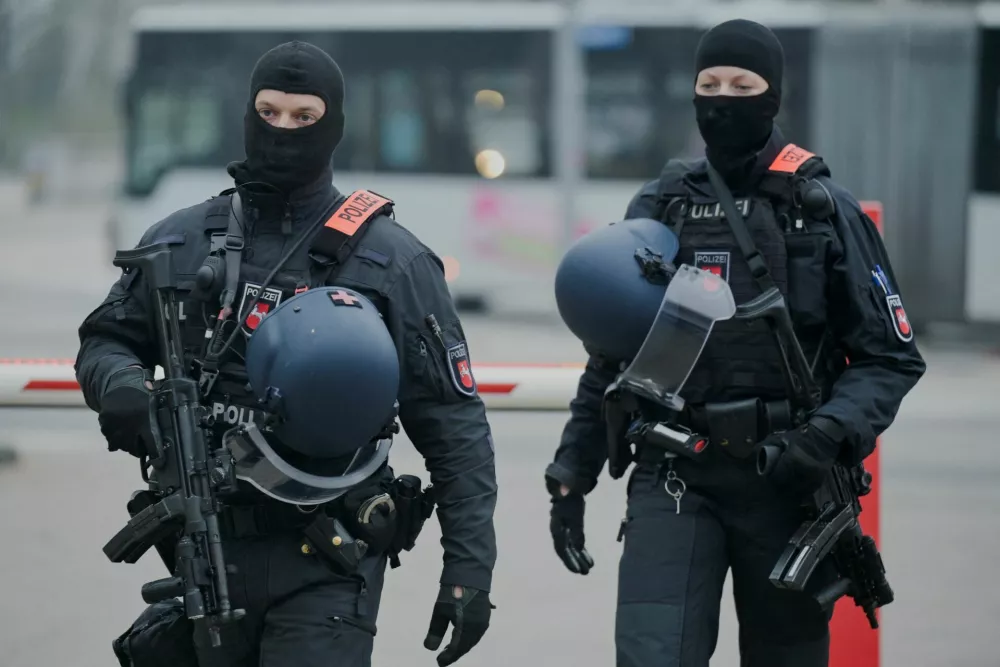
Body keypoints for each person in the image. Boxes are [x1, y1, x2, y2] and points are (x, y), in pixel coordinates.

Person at [76, 41, 497, 667]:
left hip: (327, 558)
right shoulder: (183, 239)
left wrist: (469, 574)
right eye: (268, 112)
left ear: (334, 126)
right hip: (203, 545)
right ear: (246, 113)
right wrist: (124, 386)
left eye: (305, 117)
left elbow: (453, 424)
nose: (283, 132)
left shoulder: (391, 260)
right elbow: (105, 339)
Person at [544, 19, 926, 667]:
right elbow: (612, 354)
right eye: (708, 83)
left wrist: (825, 435)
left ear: (772, 95)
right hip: (673, 473)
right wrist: (571, 472)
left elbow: (891, 357)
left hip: (787, 484)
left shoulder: (823, 209)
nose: (721, 97)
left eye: (741, 84)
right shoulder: (661, 204)